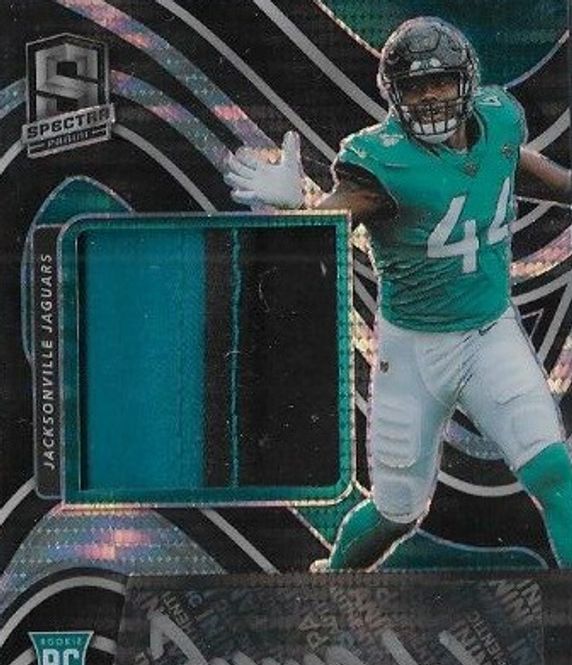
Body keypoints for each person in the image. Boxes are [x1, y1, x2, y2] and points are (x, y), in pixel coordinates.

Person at [224, 17, 572, 570]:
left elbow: (508, 165)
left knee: (554, 474)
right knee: (396, 512)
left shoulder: (499, 120)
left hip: (491, 334)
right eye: (415, 87)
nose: (430, 96)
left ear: (466, 82)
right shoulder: (382, 163)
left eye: (440, 82)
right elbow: (332, 222)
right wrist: (299, 208)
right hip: (414, 352)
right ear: (394, 96)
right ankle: (334, 579)